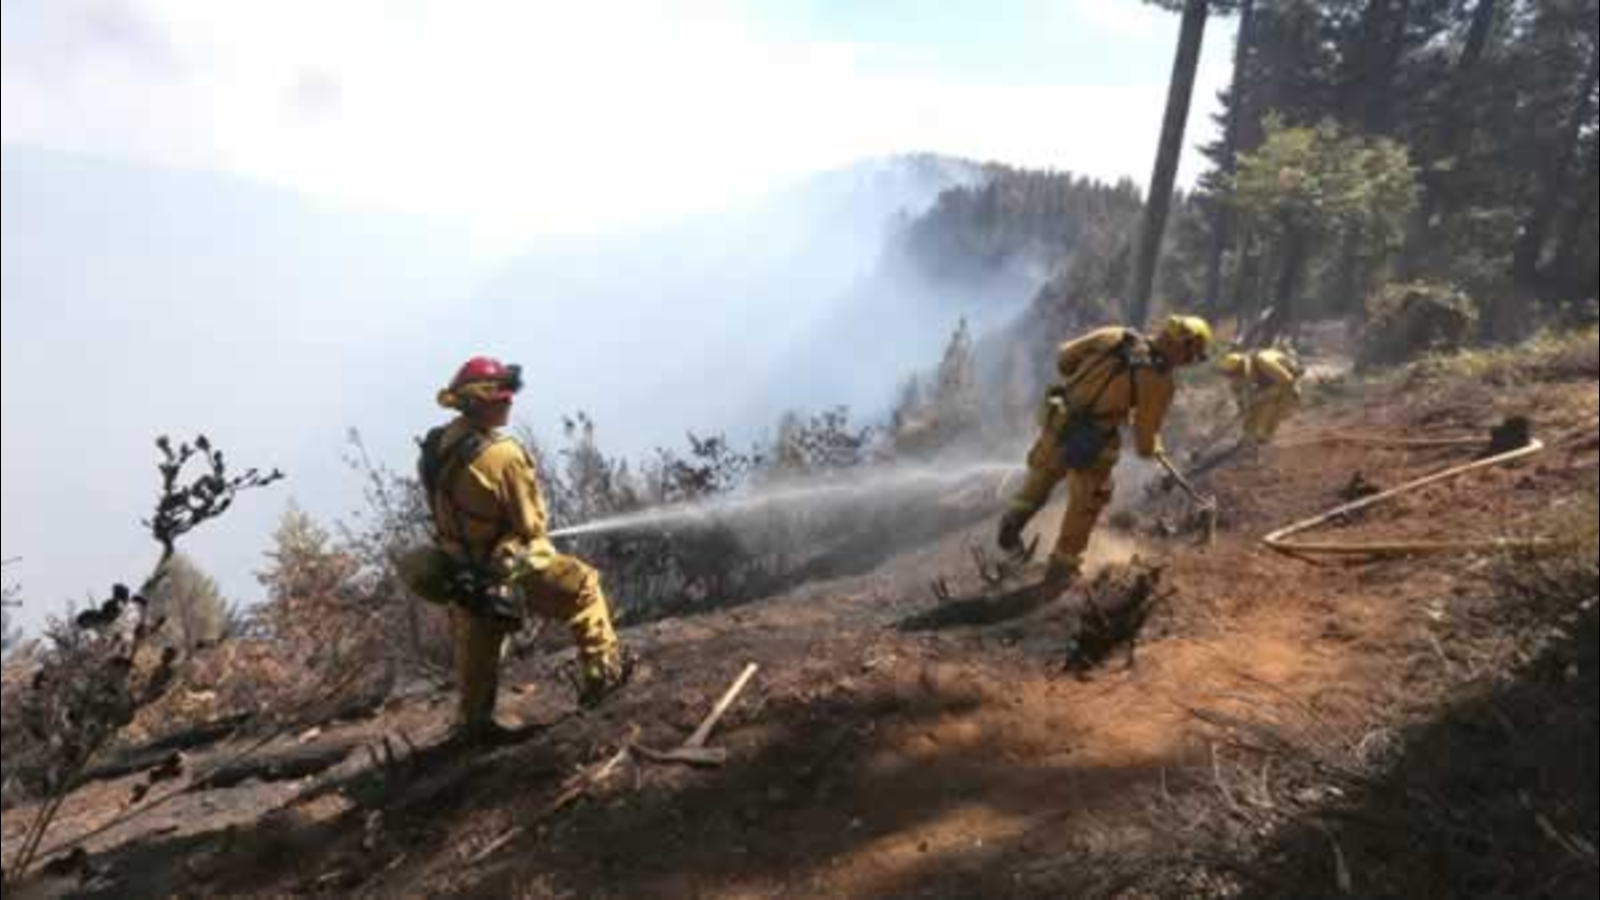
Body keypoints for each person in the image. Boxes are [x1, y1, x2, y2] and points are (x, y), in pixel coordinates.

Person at [400, 357, 630, 744]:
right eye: (502, 398)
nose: (509, 404)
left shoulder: (436, 445)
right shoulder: (504, 455)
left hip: (460, 570)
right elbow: (531, 525)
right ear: (479, 402)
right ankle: (604, 679)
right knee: (584, 589)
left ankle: (473, 725)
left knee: (479, 642)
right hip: (505, 567)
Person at [997, 316, 1214, 582]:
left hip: (1058, 422)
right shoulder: (1159, 380)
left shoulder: (1116, 335)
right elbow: (1145, 440)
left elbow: (1064, 358)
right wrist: (1154, 448)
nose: (1189, 362)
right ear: (1183, 344)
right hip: (1095, 442)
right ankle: (1062, 568)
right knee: (1086, 503)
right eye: (1192, 355)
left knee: (1041, 478)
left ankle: (1011, 524)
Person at [1219, 347, 1303, 448]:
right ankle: (1247, 437)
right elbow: (1239, 395)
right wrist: (1242, 407)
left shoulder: (1264, 362)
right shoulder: (1238, 376)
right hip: (1270, 383)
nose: (1236, 378)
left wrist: (1267, 397)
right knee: (1255, 405)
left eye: (1237, 375)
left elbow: (1288, 382)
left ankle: (1265, 439)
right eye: (1231, 375)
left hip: (1289, 385)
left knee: (1268, 403)